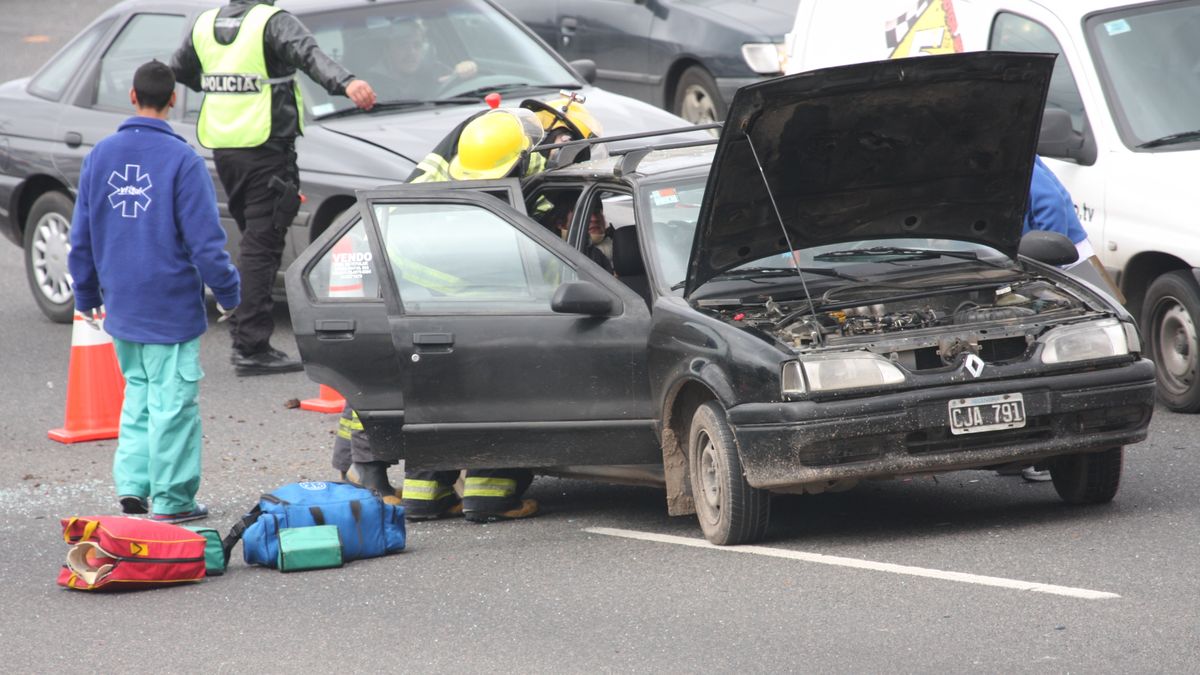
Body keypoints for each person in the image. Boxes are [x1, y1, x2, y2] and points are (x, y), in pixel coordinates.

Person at [335, 104, 603, 522]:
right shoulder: (497, 196)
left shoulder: (458, 156)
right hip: (458, 302)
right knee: (494, 390)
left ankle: (420, 494)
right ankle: (486, 494)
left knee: (411, 389)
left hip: (407, 297)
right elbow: (539, 262)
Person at [67, 60, 241, 524]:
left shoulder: (100, 155)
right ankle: (172, 499)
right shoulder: (183, 161)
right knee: (173, 404)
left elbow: (80, 234)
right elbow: (206, 243)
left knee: (138, 395)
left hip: (121, 303)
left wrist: (85, 295)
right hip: (171, 306)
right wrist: (229, 293)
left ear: (131, 96)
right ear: (173, 101)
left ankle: (133, 486)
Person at [171, 0, 376, 375]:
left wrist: (218, 89)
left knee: (253, 242)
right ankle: (250, 346)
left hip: (226, 151)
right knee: (261, 247)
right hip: (267, 151)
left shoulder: (205, 24)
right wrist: (347, 83)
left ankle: (247, 335)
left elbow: (179, 70)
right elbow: (309, 54)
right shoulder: (271, 22)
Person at [1011, 155, 1093, 482]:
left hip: (1058, 257)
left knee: (1050, 352)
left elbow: (1051, 203)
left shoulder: (1004, 153)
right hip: (1042, 254)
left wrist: (1048, 276)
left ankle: (1045, 455)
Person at [358, 17, 477, 102]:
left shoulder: (435, 70)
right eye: (402, 45)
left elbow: (458, 83)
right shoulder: (370, 84)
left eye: (417, 45)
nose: (411, 52)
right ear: (387, 49)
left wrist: (468, 70)